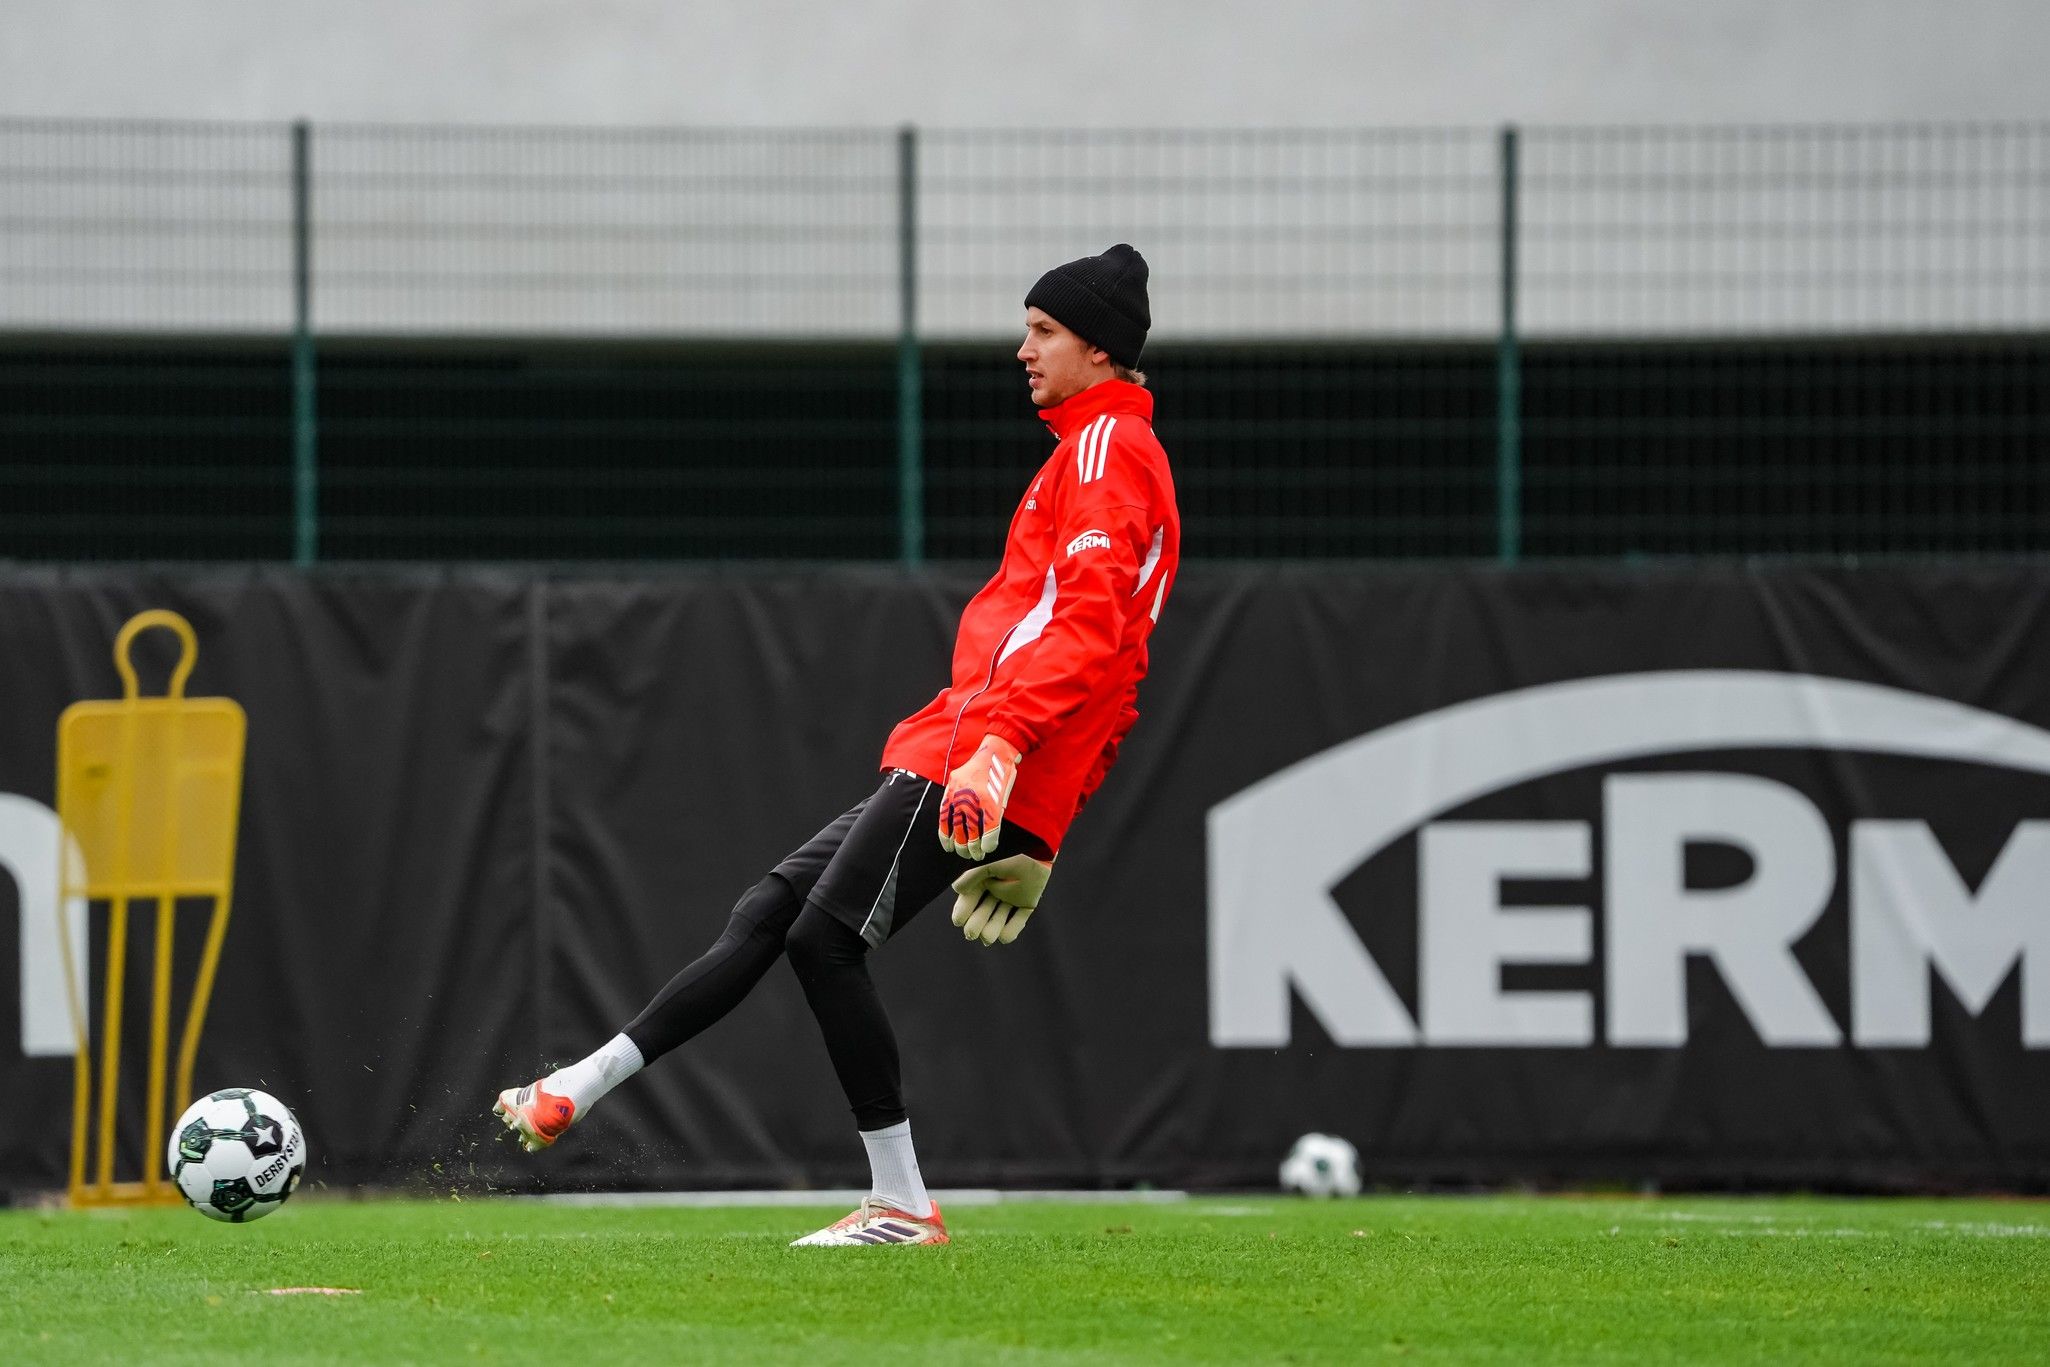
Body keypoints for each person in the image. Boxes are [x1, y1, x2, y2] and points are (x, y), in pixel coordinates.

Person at [495, 243, 1180, 1247]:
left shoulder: (1104, 451)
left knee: (823, 938)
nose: (1021, 347)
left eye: (1043, 330)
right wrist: (1045, 827)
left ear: (1100, 346)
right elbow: (1120, 667)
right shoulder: (1098, 449)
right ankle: (576, 1086)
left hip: (980, 752)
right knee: (772, 909)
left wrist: (1002, 753)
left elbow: (1084, 632)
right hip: (979, 749)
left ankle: (901, 1201)